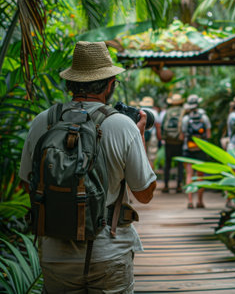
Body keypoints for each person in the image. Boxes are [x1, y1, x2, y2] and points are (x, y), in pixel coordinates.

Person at [19, 41, 157, 293]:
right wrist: (139, 138)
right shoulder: (123, 126)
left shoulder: (43, 122)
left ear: (71, 83)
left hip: (55, 253)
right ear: (109, 84)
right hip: (108, 251)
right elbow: (145, 194)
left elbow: (27, 184)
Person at [180, 94, 211, 209]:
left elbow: (182, 137)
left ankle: (189, 201)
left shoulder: (186, 119)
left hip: (188, 149)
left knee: (189, 175)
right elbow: (208, 134)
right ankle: (200, 201)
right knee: (200, 176)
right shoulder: (204, 118)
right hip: (200, 150)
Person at [156, 93, 185, 193]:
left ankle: (166, 186)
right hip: (179, 141)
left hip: (169, 141)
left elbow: (163, 125)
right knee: (180, 163)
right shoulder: (183, 111)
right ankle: (179, 186)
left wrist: (163, 137)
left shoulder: (167, 112)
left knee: (167, 163)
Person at [139, 96, 159, 167]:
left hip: (141, 135)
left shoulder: (139, 111)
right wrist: (159, 137)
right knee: (151, 158)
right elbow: (157, 126)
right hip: (152, 136)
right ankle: (151, 175)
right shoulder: (154, 112)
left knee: (142, 156)